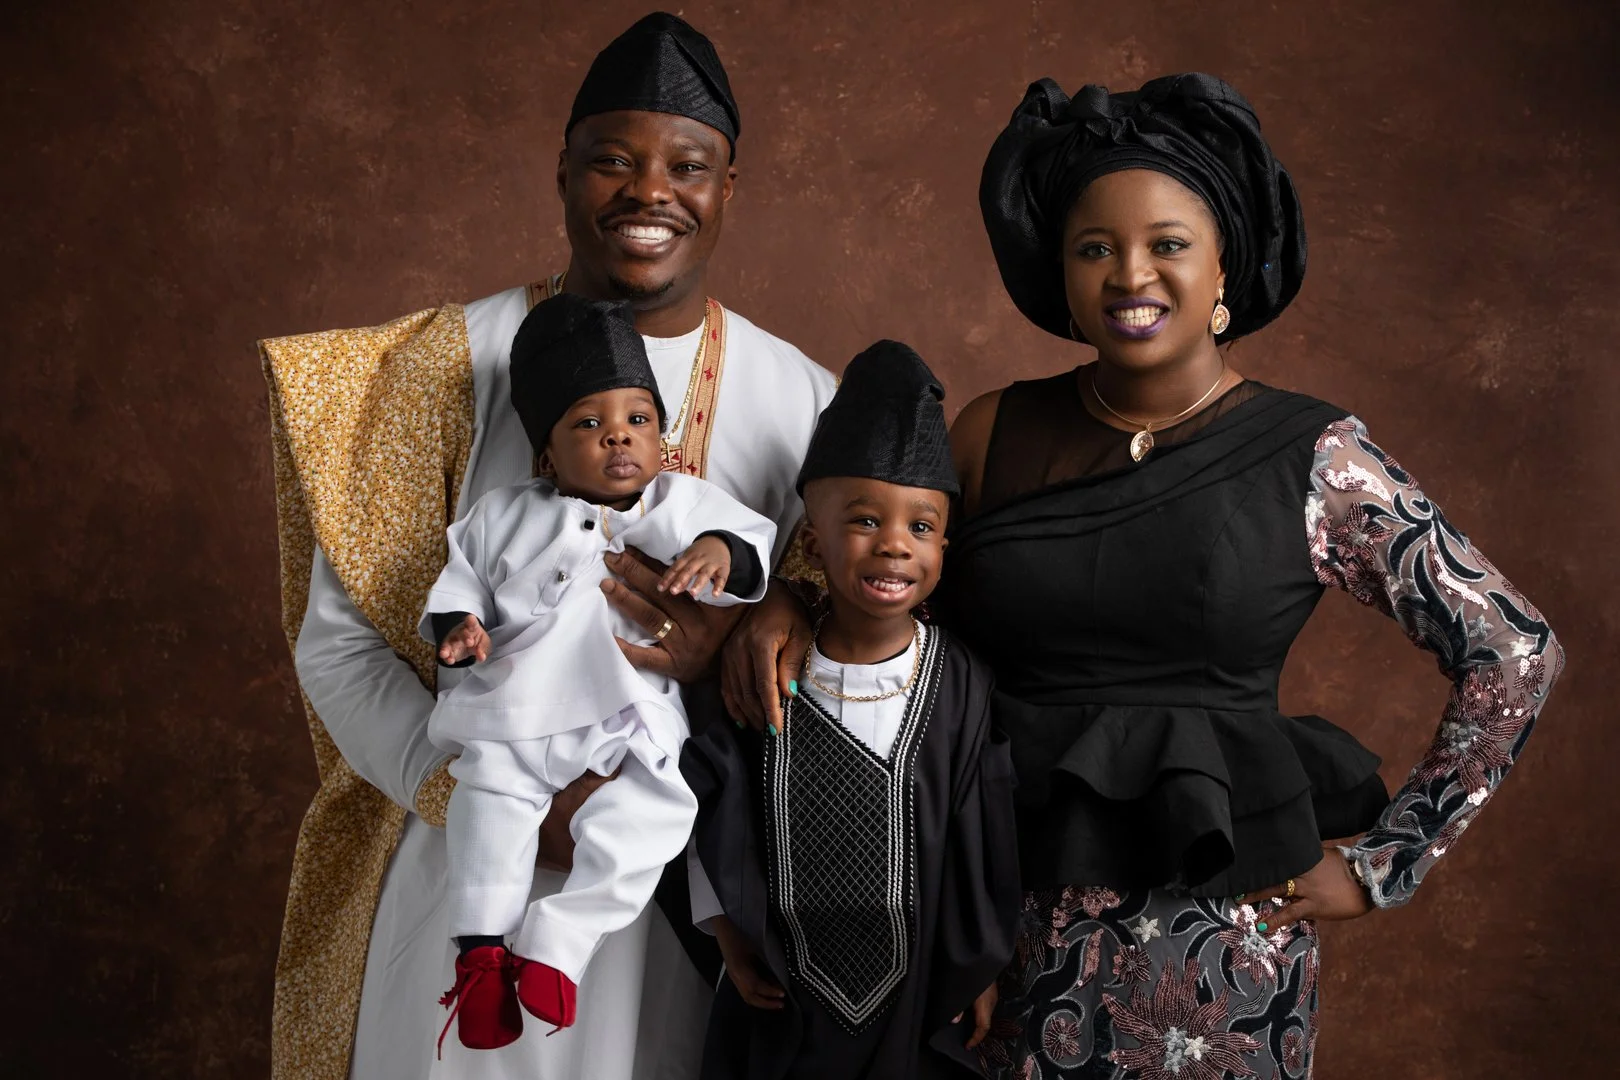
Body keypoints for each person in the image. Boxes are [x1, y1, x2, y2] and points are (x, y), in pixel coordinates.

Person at [727, 73, 1564, 1079]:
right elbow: (887, 583)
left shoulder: (1316, 457)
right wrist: (784, 594)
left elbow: (1514, 650)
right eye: (1096, 249)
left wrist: (1387, 863)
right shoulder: (994, 432)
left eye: (1168, 244)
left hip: (1217, 951)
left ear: (1225, 274)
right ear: (1065, 278)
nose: (1132, 275)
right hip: (993, 921)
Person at [260, 12, 836, 1079]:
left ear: (728, 189)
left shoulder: (809, 403)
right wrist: (489, 796)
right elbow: (338, 649)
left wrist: (765, 626)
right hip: (468, 867)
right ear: (561, 171)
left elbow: (860, 653)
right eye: (612, 160)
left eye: (687, 166)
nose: (648, 193)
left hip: (693, 895)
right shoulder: (435, 369)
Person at [422, 294, 775, 1050]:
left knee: (658, 812)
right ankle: (481, 958)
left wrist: (720, 550)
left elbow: (753, 542)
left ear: (661, 436)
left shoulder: (677, 501)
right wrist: (456, 626)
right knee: (488, 808)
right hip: (515, 708)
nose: (619, 435)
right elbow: (458, 583)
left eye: (638, 419)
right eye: (589, 423)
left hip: (628, 713)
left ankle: (558, 947)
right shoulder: (501, 515)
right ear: (547, 455)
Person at [682, 341, 1021, 1078]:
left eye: (921, 528)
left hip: (915, 978)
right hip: (781, 980)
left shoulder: (959, 684)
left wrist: (979, 965)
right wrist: (727, 939)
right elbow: (717, 800)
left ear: (943, 545)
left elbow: (978, 830)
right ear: (812, 538)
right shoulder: (765, 668)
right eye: (864, 521)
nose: (894, 546)